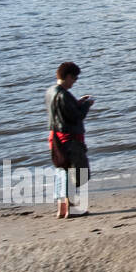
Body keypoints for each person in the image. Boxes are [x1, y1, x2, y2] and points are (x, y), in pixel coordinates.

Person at [46, 62, 94, 219]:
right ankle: (71, 209)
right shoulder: (64, 95)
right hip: (70, 139)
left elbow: (63, 111)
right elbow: (76, 117)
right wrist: (86, 105)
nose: (75, 81)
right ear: (67, 76)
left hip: (55, 139)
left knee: (61, 170)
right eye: (74, 78)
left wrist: (78, 102)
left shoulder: (51, 91)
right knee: (77, 173)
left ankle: (62, 209)